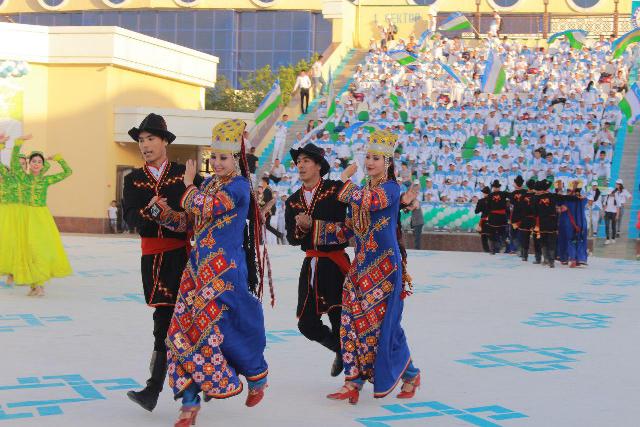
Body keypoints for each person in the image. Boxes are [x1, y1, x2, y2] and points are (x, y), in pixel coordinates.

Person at [163, 119, 273, 427]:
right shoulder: (211, 184)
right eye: (214, 156)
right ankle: (188, 404)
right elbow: (192, 221)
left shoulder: (238, 187)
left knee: (219, 334)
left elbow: (209, 206)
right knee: (181, 334)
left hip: (224, 274)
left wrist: (187, 186)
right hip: (196, 272)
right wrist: (164, 215)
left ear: (237, 158)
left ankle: (256, 374)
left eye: (223, 157)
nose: (217, 162)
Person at [329, 129, 420, 404]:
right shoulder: (364, 189)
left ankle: (411, 374)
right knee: (350, 321)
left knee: (383, 327)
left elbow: (369, 203)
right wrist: (322, 230)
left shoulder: (391, 189)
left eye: (376, 158)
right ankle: (352, 380)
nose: (370, 162)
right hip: (361, 266)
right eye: (368, 157)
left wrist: (344, 181)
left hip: (384, 267)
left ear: (387, 162)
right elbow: (351, 228)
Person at [123, 113, 201, 412]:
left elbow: (202, 210)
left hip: (182, 257)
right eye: (141, 140)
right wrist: (151, 211)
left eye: (151, 139)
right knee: (167, 323)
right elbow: (131, 218)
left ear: (165, 141)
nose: (145, 145)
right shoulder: (134, 179)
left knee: (170, 324)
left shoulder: (185, 173)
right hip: (152, 260)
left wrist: (176, 216)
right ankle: (182, 385)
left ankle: (154, 389)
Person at [285, 143, 351, 377]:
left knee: (340, 318)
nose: (300, 165)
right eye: (298, 162)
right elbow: (292, 239)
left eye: (306, 161)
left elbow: (349, 227)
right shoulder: (292, 201)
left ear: (318, 166)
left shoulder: (335, 190)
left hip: (335, 265)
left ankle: (355, 376)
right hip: (311, 265)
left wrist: (313, 225)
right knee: (306, 323)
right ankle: (340, 349)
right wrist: (300, 230)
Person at [4, 138, 72, 296]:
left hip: (40, 217)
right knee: (27, 250)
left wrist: (59, 159)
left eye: (39, 162)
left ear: (42, 166)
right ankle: (35, 285)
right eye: (33, 161)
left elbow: (68, 172)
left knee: (38, 249)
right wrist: (18, 143)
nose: (36, 164)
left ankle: (39, 284)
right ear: (29, 164)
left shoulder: (46, 180)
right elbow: (14, 163)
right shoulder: (23, 178)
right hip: (25, 217)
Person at [0, 135, 29, 288]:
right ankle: (11, 273)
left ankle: (23, 273)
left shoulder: (29, 179)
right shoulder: (7, 177)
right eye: (18, 163)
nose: (21, 166)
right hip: (8, 215)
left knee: (24, 245)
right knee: (9, 243)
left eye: (24, 164)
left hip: (25, 215)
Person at [486, 180, 510, 255]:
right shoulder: (503, 194)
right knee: (500, 232)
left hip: (495, 216)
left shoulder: (491, 195)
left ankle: (494, 249)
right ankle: (498, 248)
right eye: (496, 187)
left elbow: (488, 206)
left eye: (496, 187)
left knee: (495, 233)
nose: (496, 188)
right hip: (500, 216)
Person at [474, 186, 491, 253]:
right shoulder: (493, 200)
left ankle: (486, 250)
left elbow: (476, 211)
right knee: (492, 235)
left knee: (484, 236)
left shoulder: (481, 201)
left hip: (484, 220)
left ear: (484, 193)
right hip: (492, 219)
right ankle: (494, 249)